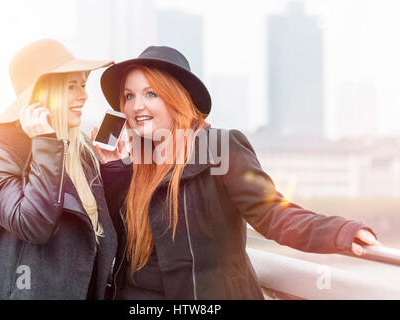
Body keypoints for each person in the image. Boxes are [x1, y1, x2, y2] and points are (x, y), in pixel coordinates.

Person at [94, 46, 381, 300]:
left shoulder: (219, 148)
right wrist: (111, 169)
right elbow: (117, 244)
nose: (136, 106)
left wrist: (341, 231)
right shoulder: (138, 162)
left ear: (175, 97)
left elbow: (272, 214)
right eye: (129, 96)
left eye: (150, 93)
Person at [0, 39, 117, 299]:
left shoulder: (79, 148)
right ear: (39, 96)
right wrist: (45, 143)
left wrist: (113, 168)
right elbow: (34, 225)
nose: (84, 96)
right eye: (71, 86)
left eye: (83, 85)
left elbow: (102, 227)